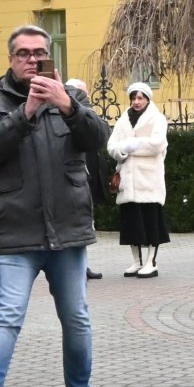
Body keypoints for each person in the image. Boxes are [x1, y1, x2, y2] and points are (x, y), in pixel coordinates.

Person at [0, 24, 111, 387]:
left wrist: (67, 105)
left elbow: (99, 139)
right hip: (19, 232)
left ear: (50, 56)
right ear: (11, 59)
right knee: (6, 318)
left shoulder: (72, 97)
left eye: (39, 53)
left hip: (67, 230)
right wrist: (25, 113)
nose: (32, 59)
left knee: (77, 319)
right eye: (24, 53)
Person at [108, 82, 169, 279]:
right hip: (128, 180)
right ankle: (136, 261)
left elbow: (157, 144)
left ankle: (151, 262)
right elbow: (112, 146)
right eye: (134, 98)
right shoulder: (123, 120)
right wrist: (123, 149)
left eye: (140, 98)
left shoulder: (157, 118)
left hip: (148, 179)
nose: (136, 101)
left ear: (147, 99)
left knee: (151, 221)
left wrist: (134, 145)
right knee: (131, 222)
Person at [64, 78, 106, 280]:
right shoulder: (67, 118)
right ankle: (76, 267)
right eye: (83, 92)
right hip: (74, 181)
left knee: (86, 224)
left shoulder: (85, 117)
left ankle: (82, 265)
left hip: (87, 180)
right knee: (77, 224)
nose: (87, 96)